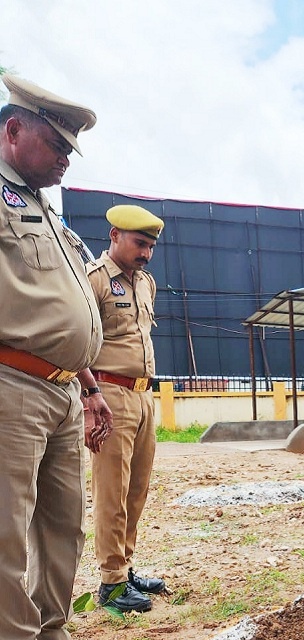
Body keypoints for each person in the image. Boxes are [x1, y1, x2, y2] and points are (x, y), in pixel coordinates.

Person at [0, 74, 111, 640]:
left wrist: (91, 388)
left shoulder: (44, 210)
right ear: (13, 130)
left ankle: (51, 634)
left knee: (62, 522)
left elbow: (65, 308)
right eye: (58, 145)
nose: (67, 158)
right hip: (11, 385)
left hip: (65, 390)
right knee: (5, 529)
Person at [78, 205, 167, 613]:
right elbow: (78, 342)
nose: (146, 253)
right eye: (139, 243)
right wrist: (88, 399)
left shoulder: (145, 283)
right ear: (114, 235)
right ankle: (110, 581)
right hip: (108, 394)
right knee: (111, 489)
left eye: (150, 246)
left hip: (144, 395)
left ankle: (124, 568)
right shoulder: (93, 281)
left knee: (136, 489)